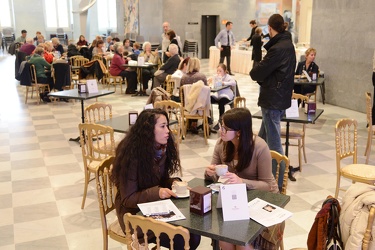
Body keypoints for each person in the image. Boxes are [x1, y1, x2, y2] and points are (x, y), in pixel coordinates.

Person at [111, 109, 201, 250]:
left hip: (152, 207)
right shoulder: (131, 155)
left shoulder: (160, 149)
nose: (168, 131)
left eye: (167, 126)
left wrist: (173, 183)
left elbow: (160, 180)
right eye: (163, 126)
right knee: (185, 239)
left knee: (193, 235)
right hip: (133, 215)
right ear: (148, 130)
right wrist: (157, 193)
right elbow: (127, 198)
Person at [205, 108, 279, 250]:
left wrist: (242, 181)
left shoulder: (259, 147)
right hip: (235, 200)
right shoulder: (222, 144)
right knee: (225, 241)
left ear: (239, 132)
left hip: (262, 200)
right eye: (221, 126)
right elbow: (216, 174)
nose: (221, 131)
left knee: (241, 244)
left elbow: (267, 186)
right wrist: (209, 173)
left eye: (225, 129)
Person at [249, 14, 296, 185]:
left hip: (272, 99)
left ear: (270, 28)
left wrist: (262, 77)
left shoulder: (277, 49)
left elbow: (257, 72)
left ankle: (279, 181)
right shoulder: (289, 44)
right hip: (280, 98)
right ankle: (255, 169)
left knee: (274, 144)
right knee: (261, 139)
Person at [209, 63, 236, 129]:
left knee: (221, 102)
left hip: (226, 95)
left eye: (220, 71)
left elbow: (234, 83)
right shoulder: (216, 77)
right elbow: (215, 86)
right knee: (208, 99)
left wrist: (224, 83)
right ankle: (208, 118)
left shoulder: (228, 77)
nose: (218, 72)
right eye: (217, 71)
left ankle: (220, 121)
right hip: (218, 94)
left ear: (224, 71)